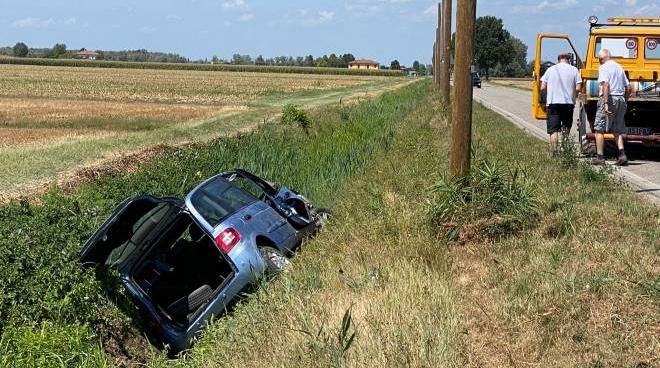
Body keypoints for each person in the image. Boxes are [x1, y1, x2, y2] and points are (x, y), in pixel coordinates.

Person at [592, 49, 630, 166]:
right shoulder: (619, 67)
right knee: (617, 129)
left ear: (601, 58)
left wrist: (606, 103)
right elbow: (628, 87)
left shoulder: (603, 67)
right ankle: (622, 154)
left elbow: (606, 85)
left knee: (599, 128)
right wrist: (625, 100)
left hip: (609, 98)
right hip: (620, 99)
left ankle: (600, 157)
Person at [540, 53, 582, 154]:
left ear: (558, 60)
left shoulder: (550, 70)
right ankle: (565, 150)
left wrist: (548, 95)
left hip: (553, 103)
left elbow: (542, 87)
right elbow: (578, 88)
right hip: (568, 104)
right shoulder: (574, 70)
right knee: (566, 128)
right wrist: (573, 96)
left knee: (554, 130)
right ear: (569, 60)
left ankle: (555, 152)